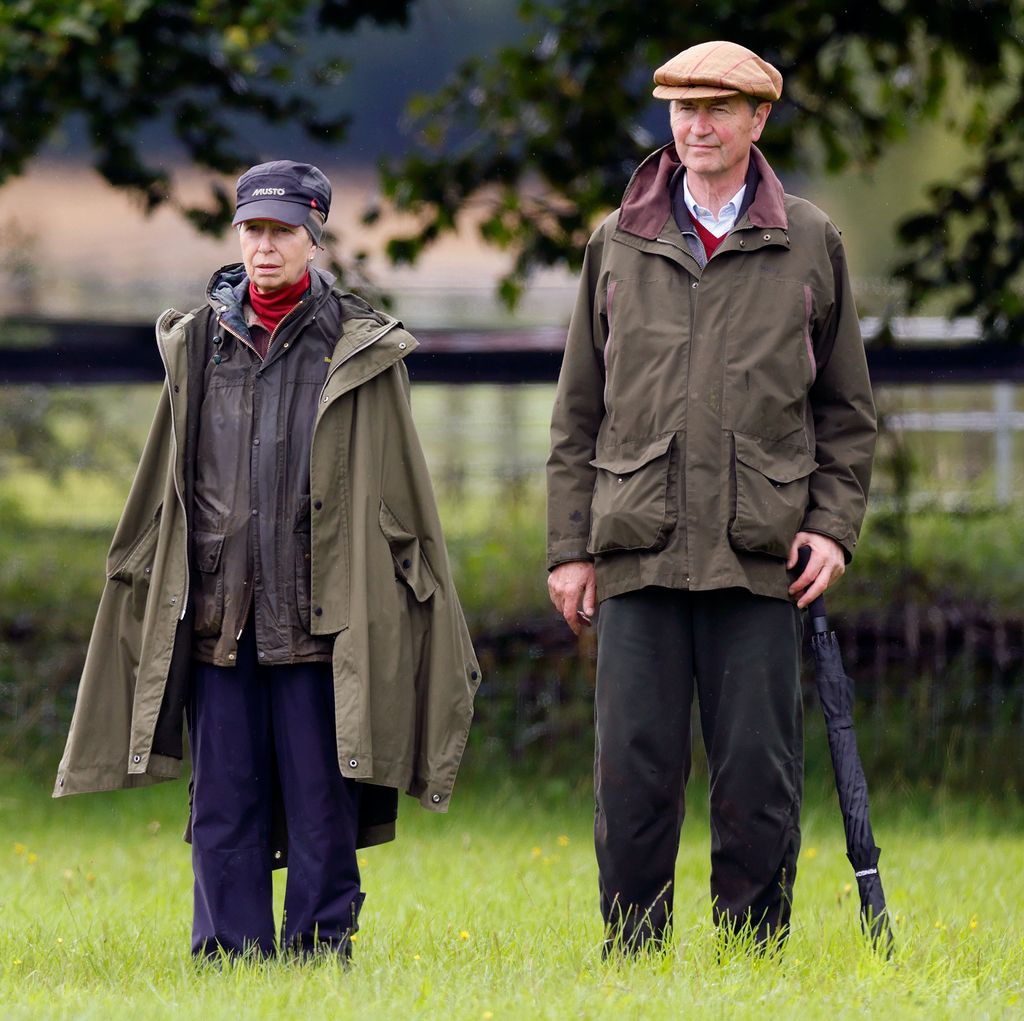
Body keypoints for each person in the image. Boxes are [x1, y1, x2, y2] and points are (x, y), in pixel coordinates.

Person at [54, 160, 481, 961]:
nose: (266, 247)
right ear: (238, 236)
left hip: (321, 615)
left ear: (313, 239)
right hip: (220, 610)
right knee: (223, 799)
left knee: (323, 798)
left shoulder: (359, 347)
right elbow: (167, 487)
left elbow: (400, 497)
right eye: (253, 229)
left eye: (283, 231)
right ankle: (227, 953)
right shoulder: (195, 344)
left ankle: (321, 948)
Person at [546, 41, 876, 951]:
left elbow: (847, 413)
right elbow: (577, 413)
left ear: (758, 120)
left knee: (758, 774)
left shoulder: (810, 242)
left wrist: (833, 530)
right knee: (634, 772)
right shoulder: (617, 242)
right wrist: (569, 548)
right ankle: (633, 947)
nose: (698, 125)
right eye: (683, 108)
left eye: (719, 108)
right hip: (636, 549)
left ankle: (752, 949)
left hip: (761, 555)